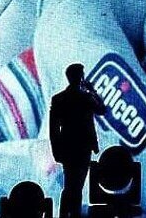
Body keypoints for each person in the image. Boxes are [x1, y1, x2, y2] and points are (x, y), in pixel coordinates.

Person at [50, 63, 107, 218]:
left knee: (72, 185)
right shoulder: (85, 98)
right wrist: (92, 91)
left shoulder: (60, 98)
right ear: (80, 77)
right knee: (75, 185)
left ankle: (66, 214)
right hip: (81, 148)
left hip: (71, 149)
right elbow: (102, 109)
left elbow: (53, 130)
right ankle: (71, 214)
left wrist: (56, 151)